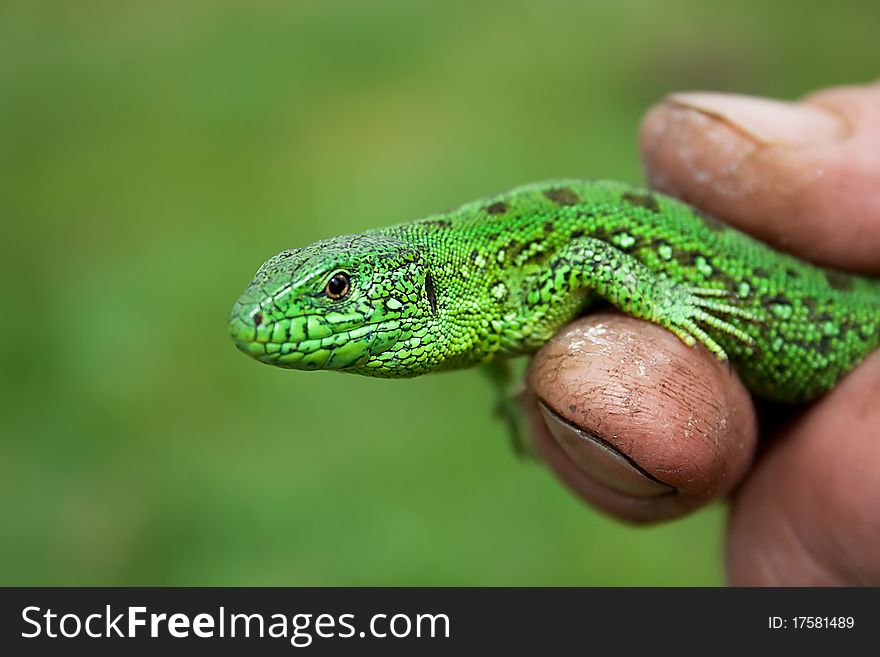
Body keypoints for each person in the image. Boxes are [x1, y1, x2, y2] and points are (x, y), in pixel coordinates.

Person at [520, 82, 880, 585]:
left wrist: (665, 300)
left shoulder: (515, 293)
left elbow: (586, 256)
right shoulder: (486, 300)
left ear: (420, 287)